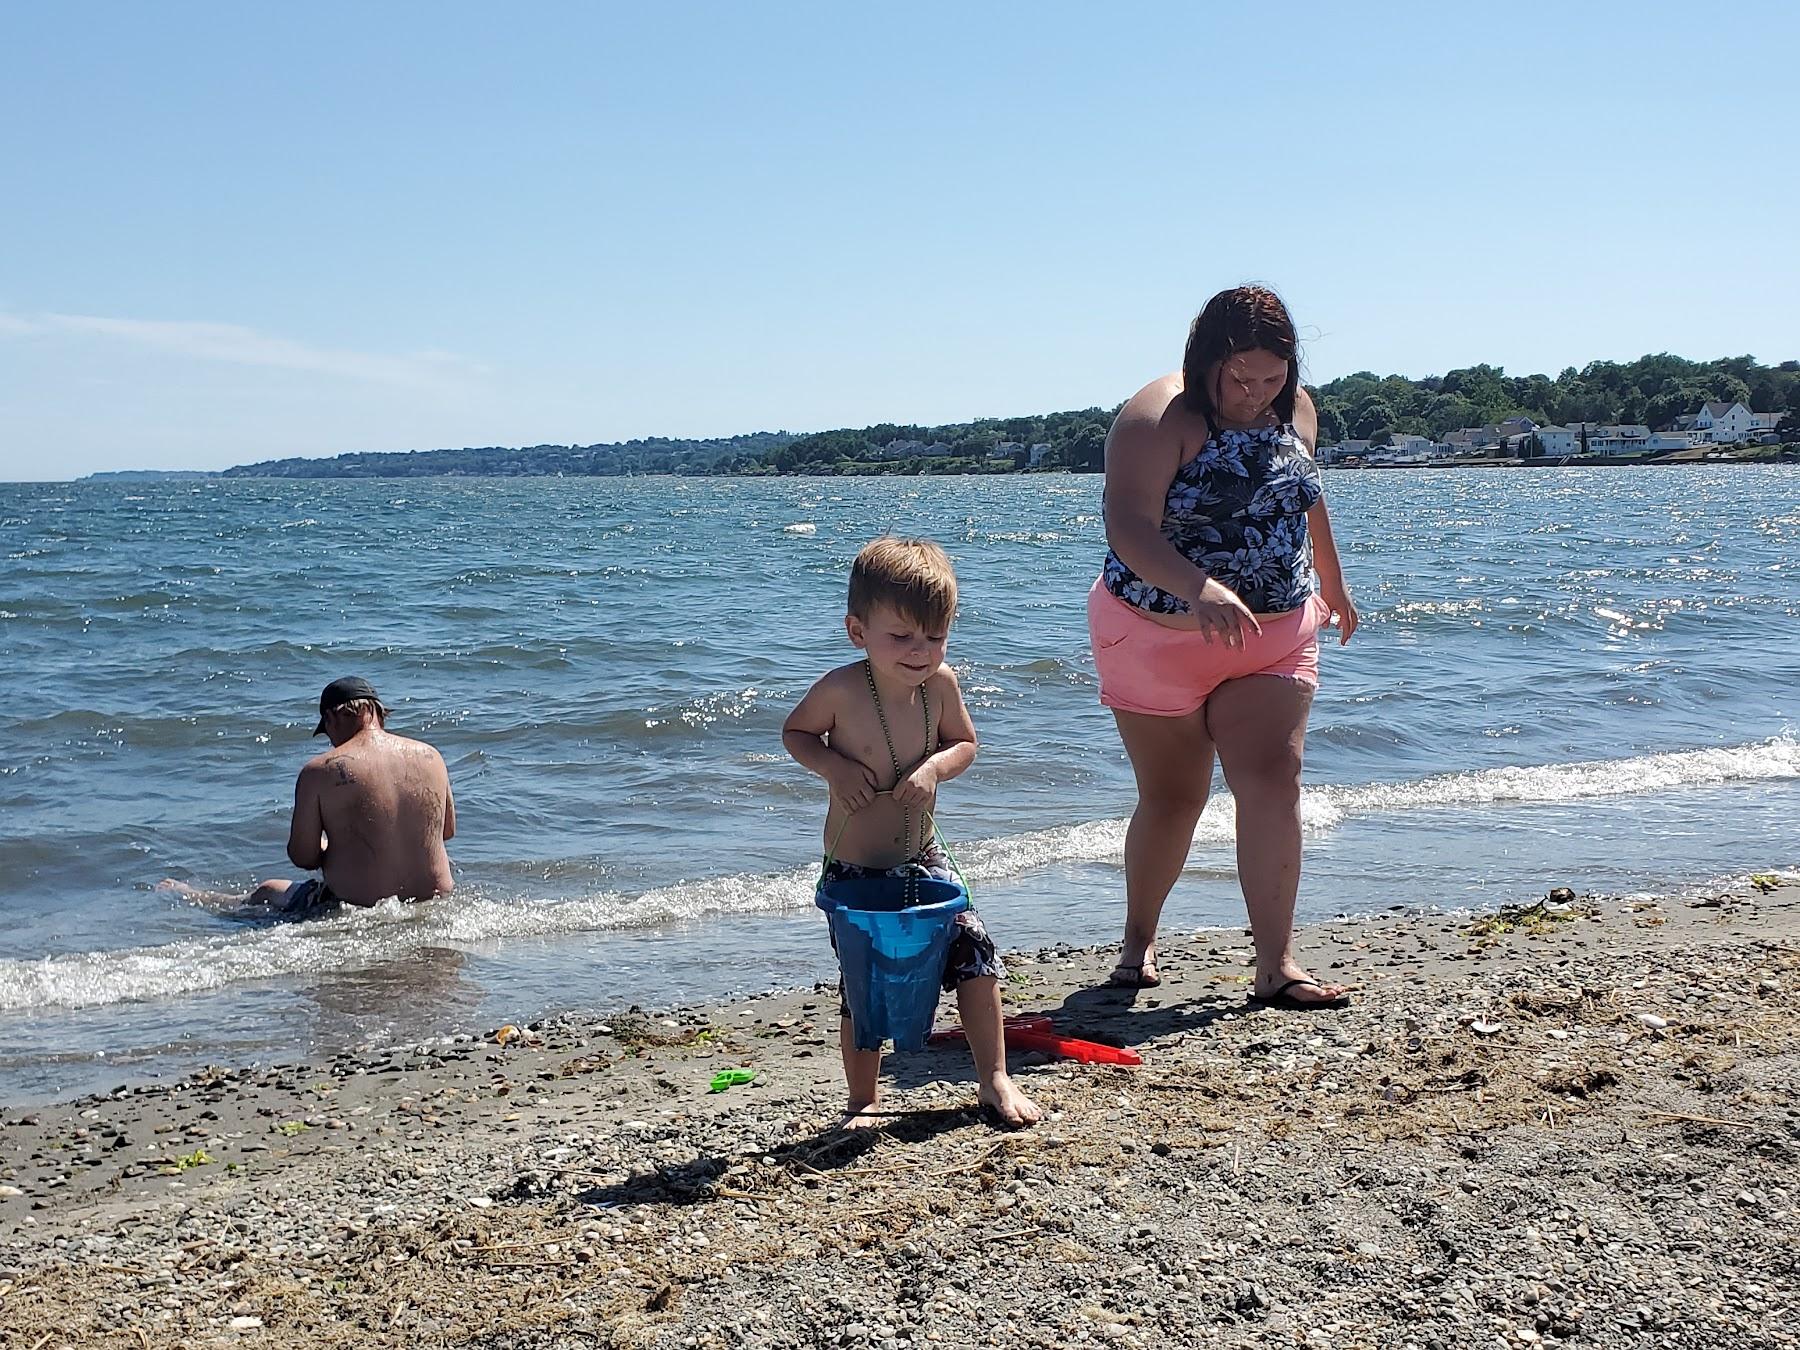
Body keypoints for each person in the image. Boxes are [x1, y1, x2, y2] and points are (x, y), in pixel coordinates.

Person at [1089, 285, 1359, 1008]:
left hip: (1273, 635)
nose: (1255, 394)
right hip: (1156, 635)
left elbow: (1302, 493)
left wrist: (1333, 580)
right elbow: (1129, 528)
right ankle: (1138, 941)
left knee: (1274, 777)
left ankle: (1277, 965)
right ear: (1205, 360)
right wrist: (1198, 587)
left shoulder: (1295, 407)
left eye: (1272, 378)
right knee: (1175, 798)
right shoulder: (1155, 419)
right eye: (1240, 377)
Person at [782, 538, 1041, 1129]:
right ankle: (864, 1099)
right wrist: (836, 767)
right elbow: (796, 734)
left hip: (921, 856)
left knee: (975, 950)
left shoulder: (941, 686)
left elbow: (966, 744)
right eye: (901, 637)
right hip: (854, 870)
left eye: (935, 636)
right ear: (857, 631)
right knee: (864, 981)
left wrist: (934, 769)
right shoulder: (840, 691)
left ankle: (994, 1077)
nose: (920, 652)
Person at [163, 677, 456, 915]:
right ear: (378, 713)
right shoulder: (431, 756)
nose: (330, 740)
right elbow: (446, 831)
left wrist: (329, 843)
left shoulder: (320, 770)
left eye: (326, 729)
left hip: (359, 907)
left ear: (331, 717)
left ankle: (200, 898)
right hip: (434, 900)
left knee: (267, 891)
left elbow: (303, 857)